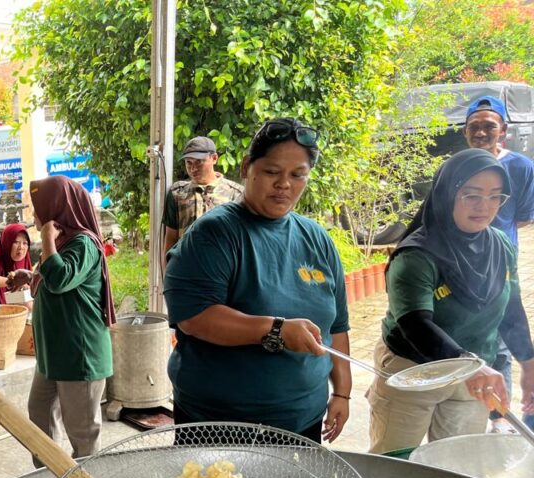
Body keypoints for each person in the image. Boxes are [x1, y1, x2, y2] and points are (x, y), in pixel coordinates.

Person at [164, 117, 351, 443]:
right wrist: (276, 329)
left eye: (297, 175)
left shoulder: (317, 238)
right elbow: (194, 317)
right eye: (271, 172)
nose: (284, 185)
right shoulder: (215, 233)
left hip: (301, 418)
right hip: (218, 424)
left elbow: (336, 326)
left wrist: (342, 393)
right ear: (248, 167)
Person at [368, 149, 534, 456]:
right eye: (471, 195)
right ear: (447, 193)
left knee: (458, 461)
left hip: (474, 372)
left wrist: (529, 361)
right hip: (413, 370)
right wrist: (467, 365)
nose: (485, 207)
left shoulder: (500, 245)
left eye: (496, 196)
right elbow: (414, 324)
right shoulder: (416, 255)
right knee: (397, 461)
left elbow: (511, 308)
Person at [25, 175, 115, 461]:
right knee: (39, 414)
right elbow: (54, 277)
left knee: (83, 434)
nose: (34, 213)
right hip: (54, 355)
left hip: (79, 356)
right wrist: (29, 275)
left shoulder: (83, 243)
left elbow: (62, 279)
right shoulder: (65, 243)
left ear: (56, 208)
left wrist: (47, 240)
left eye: (39, 206)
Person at [462, 95, 534, 432]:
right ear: (465, 132)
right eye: (474, 127)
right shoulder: (457, 166)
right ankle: (472, 407)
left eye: (488, 126)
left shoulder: (520, 167)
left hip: (500, 264)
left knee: (501, 341)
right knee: (469, 337)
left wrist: (493, 239)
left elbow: (520, 217)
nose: (481, 132)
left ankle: (498, 416)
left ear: (502, 131)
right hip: (461, 265)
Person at [161, 136, 244, 263]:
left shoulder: (235, 193)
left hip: (222, 269)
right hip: (185, 268)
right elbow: (170, 239)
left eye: (199, 162)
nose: (193, 168)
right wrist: (167, 276)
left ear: (214, 158)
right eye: (189, 162)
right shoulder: (177, 193)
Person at [0, 222, 32, 305]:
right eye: (16, 242)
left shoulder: (25, 260)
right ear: (7, 243)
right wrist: (13, 281)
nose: (21, 247)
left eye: (25, 243)